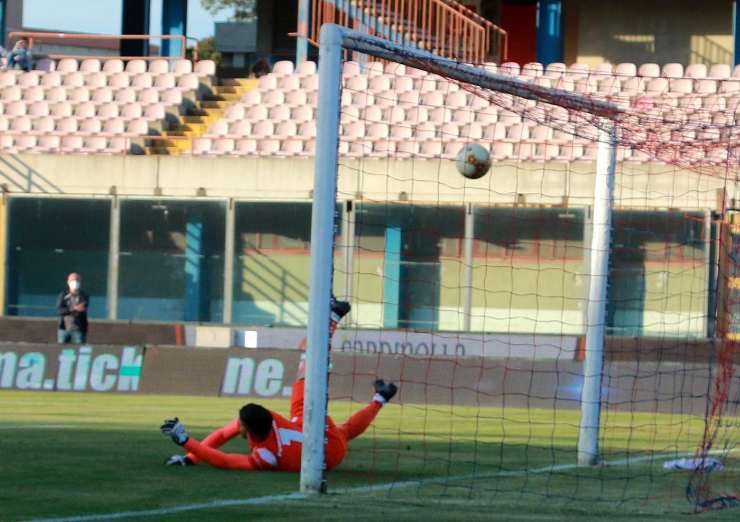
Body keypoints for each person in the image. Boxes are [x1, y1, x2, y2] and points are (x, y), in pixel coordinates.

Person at [161, 297, 399, 471]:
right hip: (320, 439)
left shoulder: (265, 456)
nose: (236, 427)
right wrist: (190, 455)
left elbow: (224, 459)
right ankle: (334, 320)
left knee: (338, 424)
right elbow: (223, 435)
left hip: (329, 457)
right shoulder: (268, 418)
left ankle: (379, 396)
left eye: (239, 424)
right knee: (307, 370)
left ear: (249, 429)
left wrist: (186, 443)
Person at [56, 272, 89, 344]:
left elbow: (82, 308)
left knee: (79, 350)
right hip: (64, 329)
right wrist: (73, 308)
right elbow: (60, 310)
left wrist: (74, 309)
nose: (75, 282)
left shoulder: (84, 295)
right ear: (68, 282)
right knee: (60, 350)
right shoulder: (63, 295)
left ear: (80, 282)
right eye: (72, 280)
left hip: (78, 330)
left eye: (77, 280)